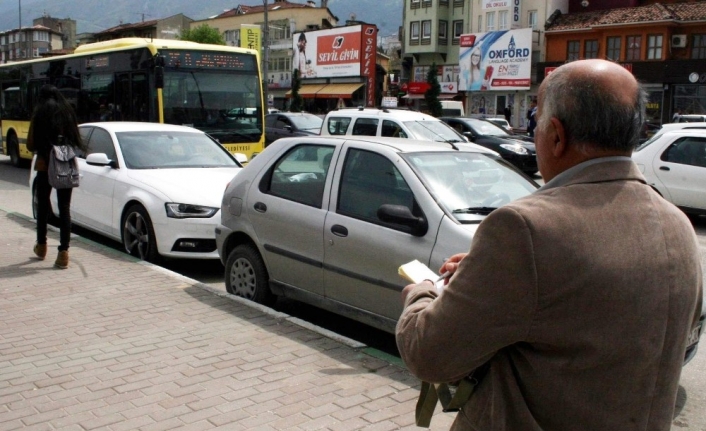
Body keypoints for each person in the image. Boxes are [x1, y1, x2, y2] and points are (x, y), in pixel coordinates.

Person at [396, 59, 703, 431]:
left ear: (556, 135)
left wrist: (423, 293)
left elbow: (429, 354)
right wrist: (487, 276)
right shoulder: (678, 227)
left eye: (537, 122)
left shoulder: (523, 229)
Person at [27, 85, 86, 269]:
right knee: (64, 207)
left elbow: (30, 144)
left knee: (43, 205)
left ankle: (42, 246)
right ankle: (63, 253)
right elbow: (76, 140)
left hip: (45, 164)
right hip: (65, 162)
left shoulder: (40, 113)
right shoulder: (68, 112)